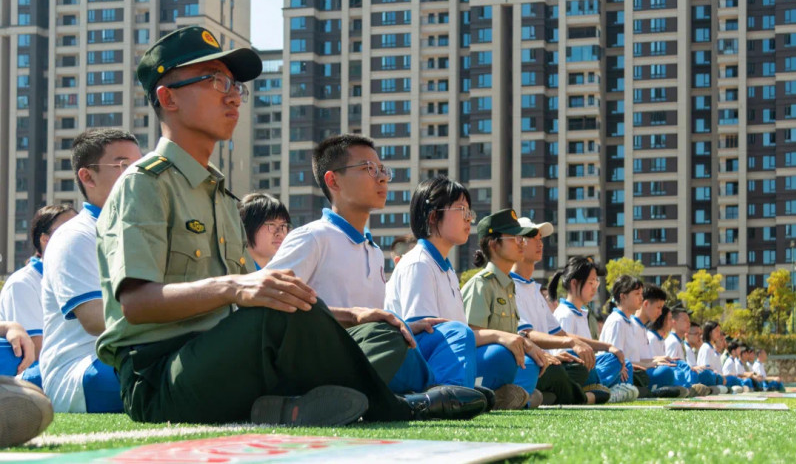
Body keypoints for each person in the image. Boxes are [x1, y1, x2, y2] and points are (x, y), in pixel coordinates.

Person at [95, 26, 480, 425]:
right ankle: (399, 405)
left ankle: (289, 406)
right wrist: (236, 286)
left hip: (227, 358)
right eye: (214, 80)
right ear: (167, 97)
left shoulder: (221, 197)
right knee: (275, 311)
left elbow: (257, 300)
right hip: (162, 378)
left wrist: (354, 316)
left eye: (234, 85)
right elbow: (136, 304)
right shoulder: (144, 184)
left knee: (378, 332)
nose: (232, 95)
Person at [267, 135, 486, 414]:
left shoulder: (371, 249)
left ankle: (435, 399)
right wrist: (355, 317)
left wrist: (403, 324)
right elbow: (269, 304)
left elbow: (374, 320)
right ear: (333, 181)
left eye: (383, 170)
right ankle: (440, 400)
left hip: (374, 350)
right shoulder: (312, 238)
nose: (382, 178)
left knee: (452, 334)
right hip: (331, 357)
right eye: (369, 169)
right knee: (415, 350)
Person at [385, 176, 533, 409]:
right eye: (461, 210)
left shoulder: (447, 270)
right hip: (413, 363)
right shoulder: (419, 263)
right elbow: (423, 335)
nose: (468, 219)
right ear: (433, 216)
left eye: (469, 212)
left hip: (443, 356)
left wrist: (499, 337)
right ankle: (451, 398)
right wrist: (495, 335)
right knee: (466, 337)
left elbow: (455, 337)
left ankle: (471, 393)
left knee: (505, 356)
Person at [39, 129, 141, 413]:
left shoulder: (142, 232)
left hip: (130, 354)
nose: (137, 175)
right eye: (123, 165)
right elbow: (96, 320)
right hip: (83, 370)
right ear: (87, 176)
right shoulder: (75, 236)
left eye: (140, 166)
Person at [462, 209, 598, 406]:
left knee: (536, 364)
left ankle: (516, 397)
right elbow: (469, 336)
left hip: (508, 363)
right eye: (515, 238)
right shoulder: (481, 285)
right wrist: (517, 342)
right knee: (507, 356)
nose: (521, 242)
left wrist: (527, 347)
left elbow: (517, 336)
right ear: (493, 243)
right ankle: (496, 396)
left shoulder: (508, 286)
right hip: (489, 363)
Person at [0, 204, 76, 385]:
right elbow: (36, 349)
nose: (78, 237)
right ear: (45, 240)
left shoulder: (77, 280)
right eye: (68, 232)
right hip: (35, 378)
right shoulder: (23, 283)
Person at [550, 256, 637, 402]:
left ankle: (604, 389)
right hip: (574, 370)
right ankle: (606, 391)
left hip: (587, 367)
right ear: (574, 283)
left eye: (596, 282)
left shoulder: (582, 314)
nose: (595, 287)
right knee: (596, 363)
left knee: (621, 361)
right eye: (591, 282)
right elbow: (563, 357)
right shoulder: (564, 314)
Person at [665, 306, 718, 389]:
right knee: (706, 375)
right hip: (679, 377)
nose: (688, 323)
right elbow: (671, 366)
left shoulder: (679, 342)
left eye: (689, 321)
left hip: (686, 374)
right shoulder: (673, 342)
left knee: (709, 375)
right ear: (674, 322)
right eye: (685, 320)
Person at [238, 193, 291, 269]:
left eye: (283, 226)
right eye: (272, 225)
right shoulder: (233, 272)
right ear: (247, 227)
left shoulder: (278, 273)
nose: (280, 233)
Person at [697, 321, 743, 393]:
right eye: (716, 331)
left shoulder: (711, 348)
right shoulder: (706, 348)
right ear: (709, 332)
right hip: (707, 377)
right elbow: (705, 369)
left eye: (719, 331)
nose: (718, 334)